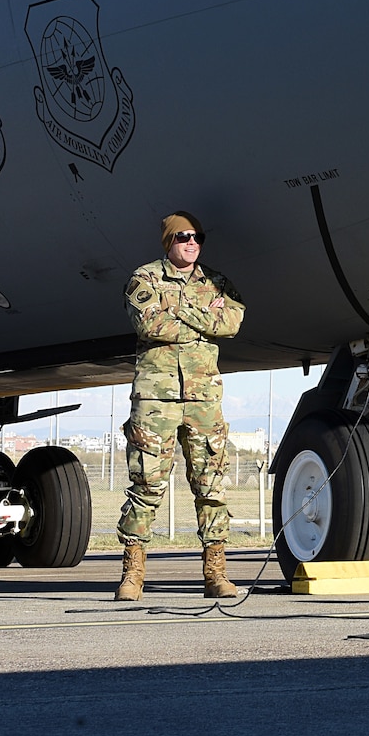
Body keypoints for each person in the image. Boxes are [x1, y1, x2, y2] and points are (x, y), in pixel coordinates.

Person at [113, 213, 246, 601]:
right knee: (147, 485)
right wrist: (206, 318)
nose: (192, 243)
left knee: (211, 485)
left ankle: (215, 573)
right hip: (157, 399)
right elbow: (149, 325)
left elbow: (233, 321)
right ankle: (133, 575)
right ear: (169, 241)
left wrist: (180, 312)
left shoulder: (216, 281)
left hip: (204, 397)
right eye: (184, 237)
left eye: (197, 237)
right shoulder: (145, 278)